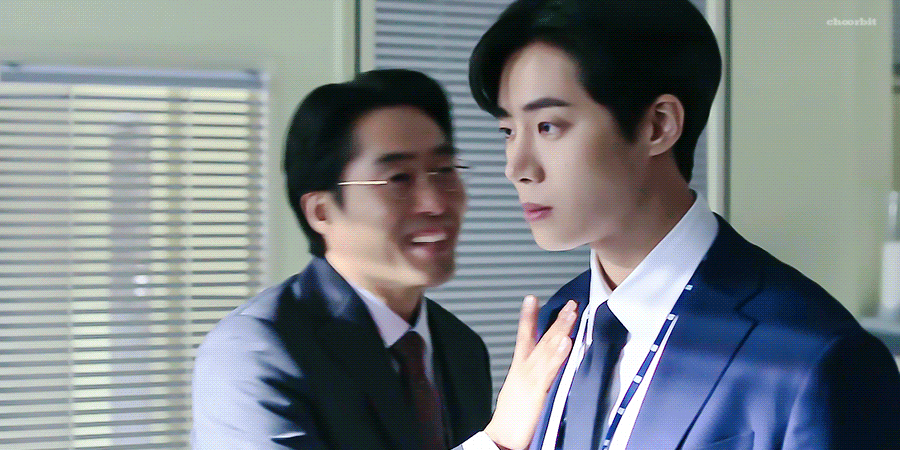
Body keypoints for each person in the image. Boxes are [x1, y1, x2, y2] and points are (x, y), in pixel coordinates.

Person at [464, 0, 900, 449]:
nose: (516, 168)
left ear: (658, 126)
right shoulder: (558, 324)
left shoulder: (815, 356)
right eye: (508, 131)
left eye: (548, 127)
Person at [191, 68, 576, 450]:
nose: (435, 203)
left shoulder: (461, 347)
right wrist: (497, 441)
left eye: (444, 171)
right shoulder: (255, 353)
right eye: (399, 178)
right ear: (321, 212)